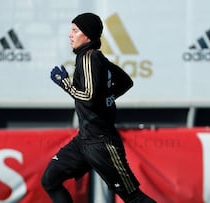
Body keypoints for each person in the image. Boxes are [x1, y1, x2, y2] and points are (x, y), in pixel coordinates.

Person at [41, 12, 156, 203]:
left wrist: (65, 84)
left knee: (133, 197)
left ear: (87, 34)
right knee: (50, 180)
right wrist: (105, 99)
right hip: (84, 141)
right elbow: (125, 82)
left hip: (102, 144)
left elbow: (89, 97)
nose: (70, 35)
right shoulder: (96, 57)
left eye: (75, 30)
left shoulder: (88, 57)